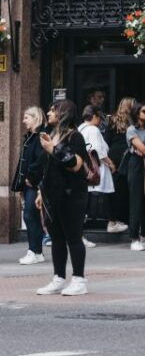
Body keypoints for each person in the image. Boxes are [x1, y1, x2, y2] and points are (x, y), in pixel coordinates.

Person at [35, 100, 90, 296]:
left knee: (73, 237)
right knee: (56, 238)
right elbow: (47, 169)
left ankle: (79, 279)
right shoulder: (51, 135)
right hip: (53, 194)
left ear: (63, 113)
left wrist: (54, 149)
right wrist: (41, 192)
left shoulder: (75, 137)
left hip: (72, 194)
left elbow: (76, 165)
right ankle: (58, 278)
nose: (48, 113)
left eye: (53, 110)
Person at [78, 105, 116, 241]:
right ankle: (112, 221)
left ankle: (80, 234)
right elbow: (99, 150)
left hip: (83, 169)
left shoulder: (80, 128)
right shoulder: (93, 130)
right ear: (94, 116)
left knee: (84, 201)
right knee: (101, 197)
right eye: (99, 117)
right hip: (96, 170)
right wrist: (111, 163)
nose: (100, 121)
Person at [124, 101, 145, 251]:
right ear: (137, 113)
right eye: (144, 111)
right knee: (136, 201)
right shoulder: (131, 130)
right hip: (137, 165)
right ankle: (134, 239)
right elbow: (143, 149)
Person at [18, 106, 48, 265]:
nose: (23, 121)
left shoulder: (40, 136)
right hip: (29, 183)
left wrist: (31, 178)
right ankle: (36, 251)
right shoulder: (30, 136)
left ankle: (35, 251)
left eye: (26, 118)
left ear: (35, 118)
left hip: (35, 183)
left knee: (30, 215)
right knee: (31, 215)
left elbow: (41, 160)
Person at [103, 97, 134, 235]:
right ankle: (121, 219)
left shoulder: (111, 121)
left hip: (114, 156)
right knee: (124, 190)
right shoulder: (133, 122)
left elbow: (106, 140)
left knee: (115, 189)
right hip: (125, 157)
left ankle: (115, 219)